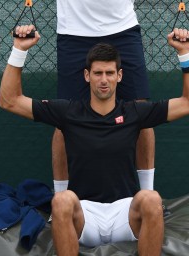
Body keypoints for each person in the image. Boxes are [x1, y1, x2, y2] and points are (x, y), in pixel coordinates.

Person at [0, 24, 189, 255]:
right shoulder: (68, 111)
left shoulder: (134, 112)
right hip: (84, 215)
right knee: (62, 201)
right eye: (98, 73)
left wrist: (185, 52)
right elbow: (9, 100)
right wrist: (19, 49)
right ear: (87, 76)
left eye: (109, 73)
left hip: (125, 214)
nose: (103, 80)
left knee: (151, 199)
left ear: (119, 75)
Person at [53, 1, 155, 193]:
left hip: (122, 28)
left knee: (141, 109)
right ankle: (61, 200)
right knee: (64, 115)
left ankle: (147, 195)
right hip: (74, 31)